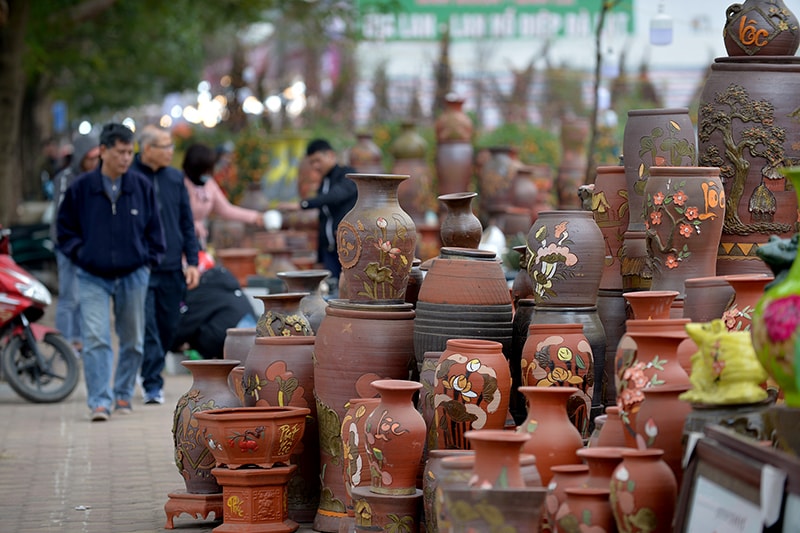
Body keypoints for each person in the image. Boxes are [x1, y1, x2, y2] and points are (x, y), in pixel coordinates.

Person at [56, 123, 166, 422]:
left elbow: (155, 228)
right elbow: (64, 230)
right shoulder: (81, 188)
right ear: (103, 151)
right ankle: (99, 401)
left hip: (134, 273)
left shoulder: (141, 185)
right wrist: (80, 253)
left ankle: (122, 393)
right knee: (96, 338)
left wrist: (149, 259)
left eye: (130, 152)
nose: (126, 158)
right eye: (120, 152)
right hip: (92, 275)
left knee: (133, 340)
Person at [131, 125, 200, 405]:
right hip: (141, 267)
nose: (172, 151)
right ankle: (152, 382)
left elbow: (186, 222)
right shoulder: (129, 177)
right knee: (147, 326)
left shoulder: (174, 178)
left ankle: (149, 367)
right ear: (148, 149)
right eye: (165, 146)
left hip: (172, 266)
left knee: (168, 327)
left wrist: (192, 260)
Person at [50, 134, 100, 354]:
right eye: (91, 158)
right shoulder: (66, 178)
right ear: (80, 157)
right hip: (68, 246)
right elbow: (63, 214)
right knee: (69, 296)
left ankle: (79, 340)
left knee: (84, 295)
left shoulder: (98, 177)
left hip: (89, 247)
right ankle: (64, 343)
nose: (95, 162)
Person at [171, 255, 257, 360]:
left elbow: (185, 326)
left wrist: (174, 344)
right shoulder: (229, 288)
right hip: (252, 340)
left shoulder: (203, 292)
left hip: (229, 346)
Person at [182, 142, 265, 249]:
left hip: (198, 239)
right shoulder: (180, 185)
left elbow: (226, 209)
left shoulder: (209, 184)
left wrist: (254, 217)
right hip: (180, 239)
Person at [299, 138, 357, 283]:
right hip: (329, 250)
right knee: (331, 289)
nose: (315, 166)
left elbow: (335, 196)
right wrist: (319, 257)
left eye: (318, 160)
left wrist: (305, 204)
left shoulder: (347, 175)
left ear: (330, 155)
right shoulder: (323, 183)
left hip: (348, 247)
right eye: (312, 163)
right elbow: (323, 220)